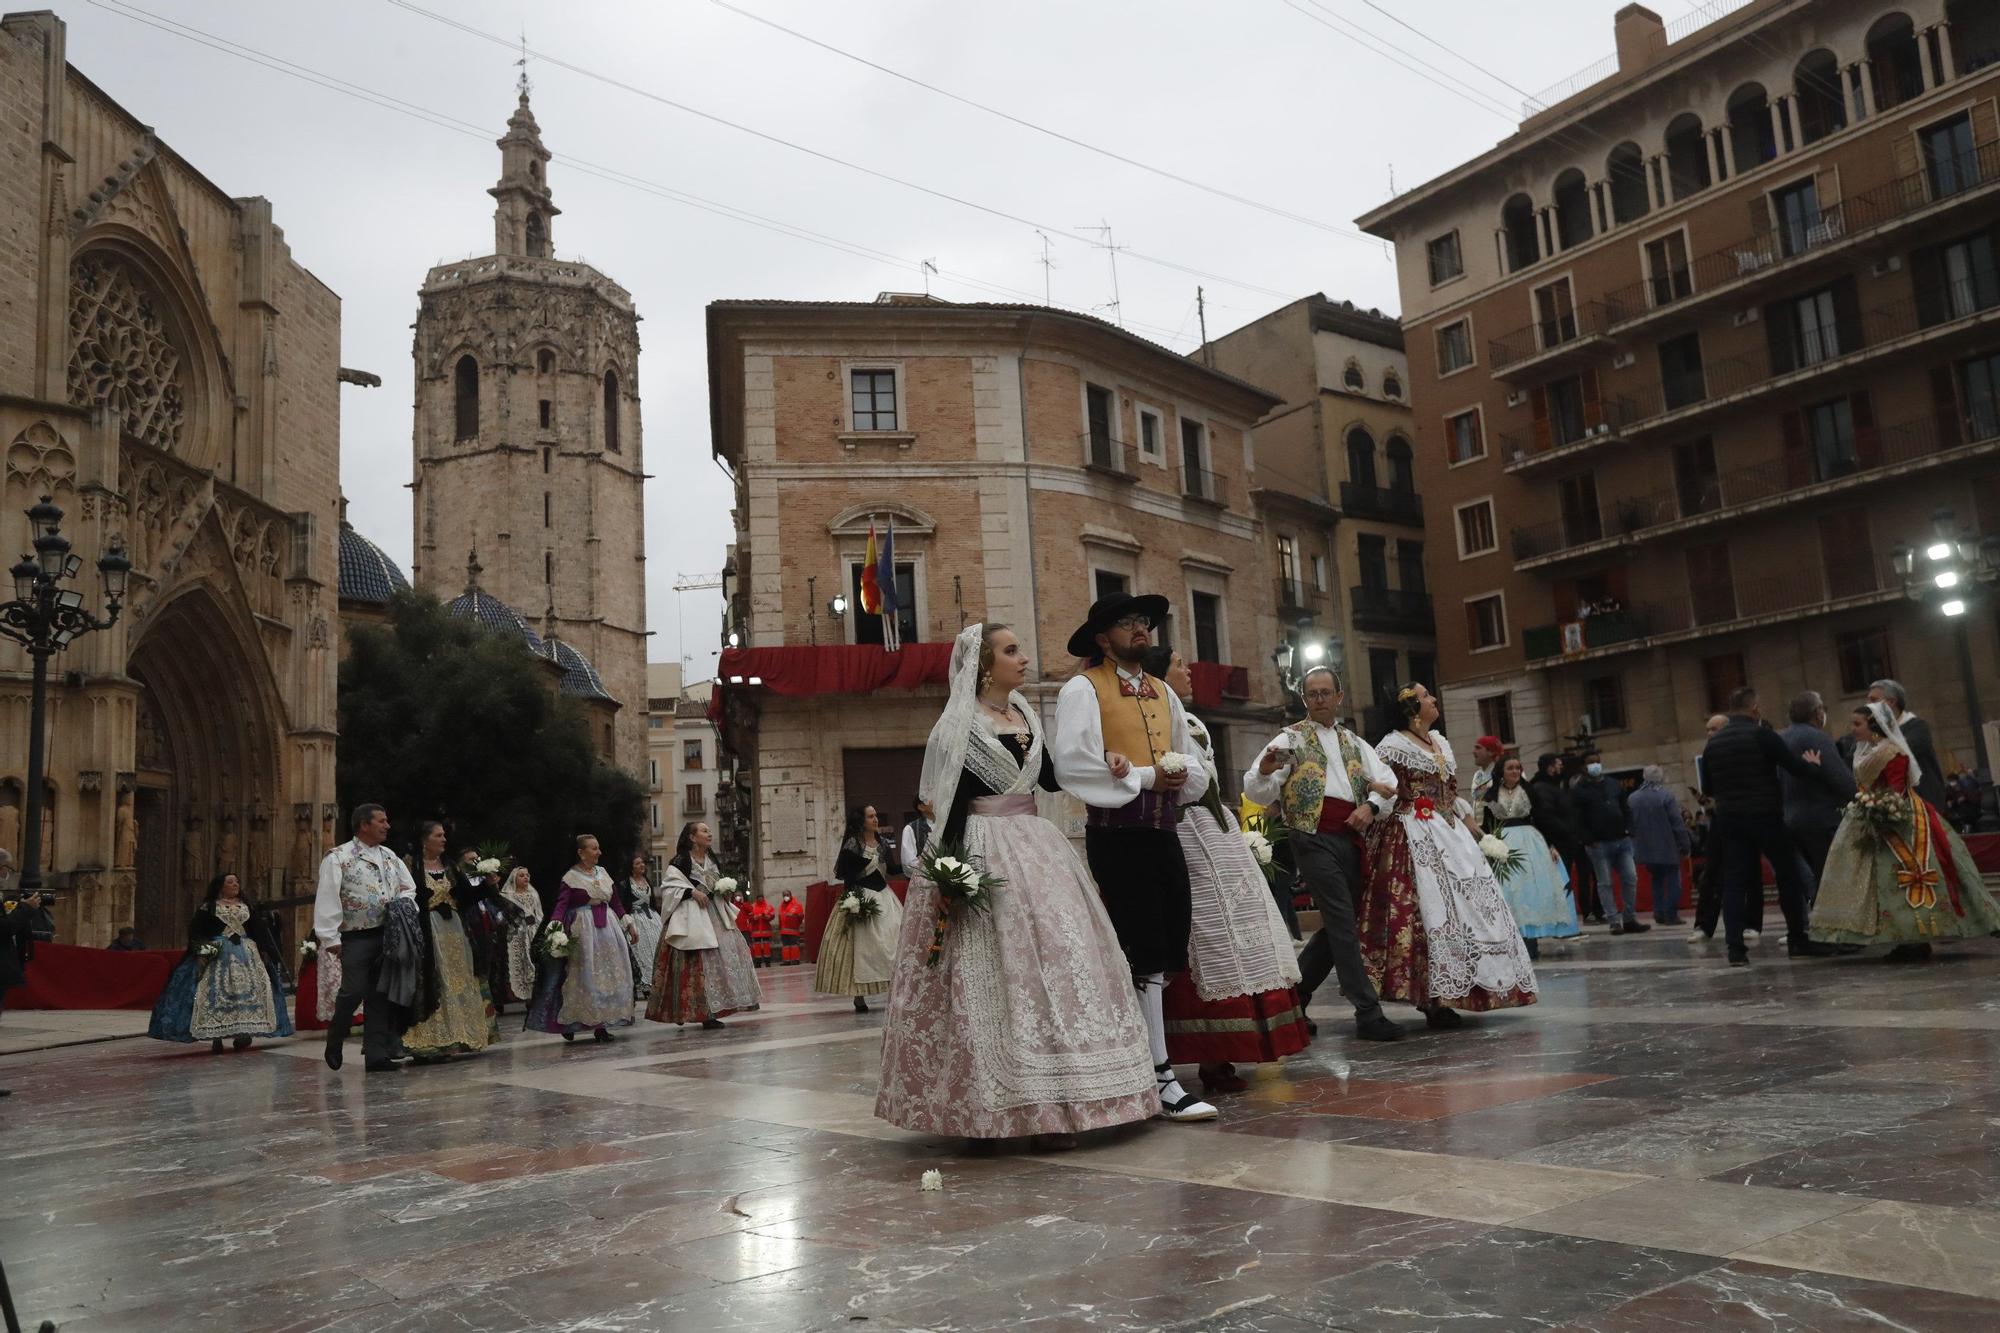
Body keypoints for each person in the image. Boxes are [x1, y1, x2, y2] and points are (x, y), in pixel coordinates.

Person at [876, 622, 1158, 1149]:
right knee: (991, 978)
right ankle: (990, 1109)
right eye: (1011, 651)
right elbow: (950, 807)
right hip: (985, 849)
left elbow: (1050, 777)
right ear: (984, 665)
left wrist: (1110, 762)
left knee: (1055, 968)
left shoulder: (1026, 713)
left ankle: (1061, 1103)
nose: (1023, 658)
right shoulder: (956, 727)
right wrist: (952, 877)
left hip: (1037, 845)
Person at [1052, 592, 1216, 1121]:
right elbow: (1073, 765)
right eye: (1127, 623)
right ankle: (1160, 1076)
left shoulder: (1162, 690)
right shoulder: (1084, 688)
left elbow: (1193, 769)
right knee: (1142, 947)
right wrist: (1147, 776)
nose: (1141, 630)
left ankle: (1145, 1064)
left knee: (1170, 941)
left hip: (1163, 830)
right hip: (1118, 836)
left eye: (1143, 622)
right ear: (1103, 639)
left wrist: (1174, 776)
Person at [1142, 646, 1307, 1095]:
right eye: (1178, 664)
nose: (1189, 670)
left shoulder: (1192, 721)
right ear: (1159, 675)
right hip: (1184, 834)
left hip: (1215, 832)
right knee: (1204, 940)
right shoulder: (1153, 719)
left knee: (1241, 935)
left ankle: (1230, 1050)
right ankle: (1210, 1050)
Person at [1242, 665, 1403, 1043]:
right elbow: (1257, 791)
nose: (1319, 699)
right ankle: (1368, 1011)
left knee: (1338, 925)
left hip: (1350, 835)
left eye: (1325, 692)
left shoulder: (1355, 742)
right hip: (1309, 837)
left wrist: (1372, 807)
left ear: (1339, 697)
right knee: (1342, 921)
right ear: (1304, 700)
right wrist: (1265, 772)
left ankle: (1294, 999)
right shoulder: (1289, 739)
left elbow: (1390, 784)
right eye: (1312, 694)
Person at [1361, 684, 1538, 1022]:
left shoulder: (1439, 743)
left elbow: (1451, 792)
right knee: (1426, 910)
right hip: (1411, 833)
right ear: (1413, 708)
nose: (1433, 700)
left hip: (1450, 835)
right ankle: (1432, 998)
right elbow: (1376, 784)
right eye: (1426, 697)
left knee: (1470, 908)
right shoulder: (1392, 746)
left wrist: (1471, 825)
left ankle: (1466, 988)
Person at [1811, 702, 2000, 958]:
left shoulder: (1892, 752)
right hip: (1870, 812)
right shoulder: (1864, 750)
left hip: (1899, 815)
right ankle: (1897, 937)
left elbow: (1897, 788)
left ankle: (1916, 938)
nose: (1852, 729)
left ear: (1874, 725)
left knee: (1906, 871)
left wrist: (1879, 808)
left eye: (1857, 724)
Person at [1700, 687, 1835, 967]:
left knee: (1735, 882)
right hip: (1765, 815)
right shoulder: (1762, 735)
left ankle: (1735, 949)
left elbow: (1708, 787)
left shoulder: (1714, 744)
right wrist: (1815, 766)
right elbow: (1793, 767)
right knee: (1787, 876)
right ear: (1755, 710)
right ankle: (1797, 938)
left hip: (1730, 819)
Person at [316, 804, 421, 1073]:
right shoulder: (338, 857)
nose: (387, 825)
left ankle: (375, 1054)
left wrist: (402, 904)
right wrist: (330, 937)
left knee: (380, 993)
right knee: (353, 989)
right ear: (364, 825)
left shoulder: (389, 855)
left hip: (389, 933)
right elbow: (327, 896)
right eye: (382, 821)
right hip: (356, 935)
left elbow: (409, 887)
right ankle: (335, 1037)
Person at [147, 873, 293, 1053]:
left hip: (246, 953)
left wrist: (265, 950)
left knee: (247, 993)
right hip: (219, 953)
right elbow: (196, 931)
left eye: (237, 882)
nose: (235, 885)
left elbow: (258, 929)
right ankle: (217, 1036)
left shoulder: (246, 906)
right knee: (215, 993)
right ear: (220, 887)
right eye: (230, 882)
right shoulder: (208, 907)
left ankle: (243, 1033)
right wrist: (203, 951)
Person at [647, 821, 762, 1030]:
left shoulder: (711, 860)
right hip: (689, 918)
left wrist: (723, 891)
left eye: (709, 831)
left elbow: (715, 884)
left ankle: (710, 1012)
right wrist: (691, 892)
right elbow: (670, 887)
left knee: (716, 963)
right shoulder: (681, 860)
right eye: (704, 831)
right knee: (690, 964)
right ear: (692, 837)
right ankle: (681, 1010)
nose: (709, 834)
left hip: (713, 914)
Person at [526, 834, 641, 1043]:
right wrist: (555, 931)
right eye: (594, 848)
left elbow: (615, 902)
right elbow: (561, 905)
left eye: (598, 848)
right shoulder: (571, 877)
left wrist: (629, 923)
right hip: (583, 929)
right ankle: (571, 1022)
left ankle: (602, 1025)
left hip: (608, 929)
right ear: (581, 852)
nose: (599, 852)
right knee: (583, 976)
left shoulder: (603, 873)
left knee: (608, 975)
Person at [400, 821, 498, 1062]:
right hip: (428, 930)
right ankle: (431, 1040)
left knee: (458, 980)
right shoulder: (410, 865)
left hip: (454, 932)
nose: (444, 839)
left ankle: (460, 1036)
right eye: (438, 835)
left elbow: (466, 897)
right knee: (435, 981)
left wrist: (487, 885)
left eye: (444, 835)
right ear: (425, 840)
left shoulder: (450, 866)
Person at [1483, 755, 1580, 959]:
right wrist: (1487, 845)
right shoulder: (1490, 794)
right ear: (1501, 771)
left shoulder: (1529, 790)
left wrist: (1550, 844)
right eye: (1510, 768)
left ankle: (1531, 940)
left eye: (1518, 768)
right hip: (1502, 844)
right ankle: (1512, 940)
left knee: (1530, 889)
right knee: (1509, 889)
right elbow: (1487, 824)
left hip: (1529, 842)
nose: (1515, 771)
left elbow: (1543, 818)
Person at [815, 806, 906, 1013]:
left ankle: (894, 989)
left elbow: (891, 870)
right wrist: (852, 903)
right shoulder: (853, 845)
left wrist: (914, 866)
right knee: (861, 947)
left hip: (884, 897)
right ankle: (859, 995)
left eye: (875, 815)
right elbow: (847, 877)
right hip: (862, 897)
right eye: (871, 816)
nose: (875, 819)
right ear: (861, 821)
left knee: (892, 941)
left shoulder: (882, 843)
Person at [1779, 690, 1856, 899]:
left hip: (1791, 818)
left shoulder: (1782, 737)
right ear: (1817, 712)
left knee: (1811, 878)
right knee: (1832, 877)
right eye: (1823, 708)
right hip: (1822, 818)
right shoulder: (1816, 738)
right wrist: (1862, 797)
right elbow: (1839, 778)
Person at [1571, 751, 1648, 934]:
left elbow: (1625, 807)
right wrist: (1588, 839)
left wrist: (1630, 828)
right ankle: (1614, 920)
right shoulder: (1579, 790)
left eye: (1597, 761)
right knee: (1605, 883)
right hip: (1598, 844)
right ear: (1584, 766)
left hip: (1622, 839)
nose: (1595, 765)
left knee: (1631, 878)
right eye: (1591, 762)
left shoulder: (1613, 784)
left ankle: (1629, 918)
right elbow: (1576, 818)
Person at [1526, 754, 1588, 926]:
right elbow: (1546, 817)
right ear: (1550, 767)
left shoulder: (1554, 787)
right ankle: (1562, 924)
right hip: (1557, 844)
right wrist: (1567, 831)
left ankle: (1567, 924)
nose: (1562, 768)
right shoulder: (1542, 789)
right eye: (1559, 765)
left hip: (1564, 843)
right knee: (1560, 885)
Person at [1627, 767, 1691, 926]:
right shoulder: (1666, 796)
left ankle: (1659, 911)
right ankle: (1671, 914)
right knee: (1674, 881)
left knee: (1656, 880)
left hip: (1645, 848)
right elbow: (1677, 823)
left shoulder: (1633, 798)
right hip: (1667, 846)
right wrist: (1685, 845)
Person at [1869, 680, 1946, 807]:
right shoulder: (1875, 732)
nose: (1868, 705)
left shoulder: (1917, 727)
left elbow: (1901, 752)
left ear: (1891, 702)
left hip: (1922, 801)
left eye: (1874, 700)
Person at [490, 866, 544, 1012]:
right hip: (513, 934)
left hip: (531, 932)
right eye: (521, 875)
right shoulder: (507, 895)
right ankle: (503, 999)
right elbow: (503, 916)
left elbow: (538, 913)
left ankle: (532, 997)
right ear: (514, 878)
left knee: (531, 963)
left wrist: (535, 926)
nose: (525, 878)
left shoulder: (533, 894)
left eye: (527, 875)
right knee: (514, 964)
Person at [618, 855, 663, 998]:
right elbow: (623, 903)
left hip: (652, 918)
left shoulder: (646, 881)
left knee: (656, 948)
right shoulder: (625, 883)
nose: (642, 865)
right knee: (640, 951)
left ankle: (656, 983)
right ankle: (642, 984)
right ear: (631, 867)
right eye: (638, 863)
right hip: (635, 918)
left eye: (642, 862)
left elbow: (651, 901)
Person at [899, 797, 934, 877]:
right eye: (932, 797)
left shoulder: (945, 826)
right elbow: (909, 864)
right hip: (922, 884)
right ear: (921, 807)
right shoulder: (910, 829)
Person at [1469, 735, 1504, 811]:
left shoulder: (1505, 773)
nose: (1473, 752)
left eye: (1478, 748)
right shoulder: (1477, 775)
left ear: (1491, 752)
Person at [777, 890, 805, 965]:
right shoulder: (781, 906)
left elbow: (801, 917)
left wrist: (797, 925)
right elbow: (780, 918)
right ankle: (786, 961)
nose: (786, 896)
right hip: (783, 931)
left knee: (794, 946)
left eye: (787, 895)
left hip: (793, 930)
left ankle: (795, 960)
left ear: (791, 895)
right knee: (785, 946)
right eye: (784, 895)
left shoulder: (797, 905)